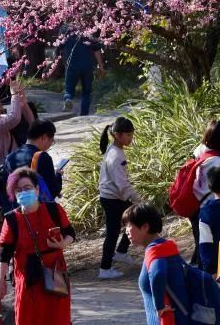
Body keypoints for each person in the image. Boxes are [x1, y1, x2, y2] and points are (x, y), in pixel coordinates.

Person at [0, 168, 75, 325]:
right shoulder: (11, 219)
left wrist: (63, 243)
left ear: (37, 190)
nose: (23, 192)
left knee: (58, 317)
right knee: (29, 317)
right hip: (28, 278)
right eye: (18, 190)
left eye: (27, 188)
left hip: (55, 273)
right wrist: (0, 280)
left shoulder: (54, 210)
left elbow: (70, 233)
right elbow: (4, 254)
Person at [123, 203, 190, 325]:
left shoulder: (155, 251)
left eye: (129, 225)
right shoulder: (167, 247)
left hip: (167, 320)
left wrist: (159, 306)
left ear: (145, 227)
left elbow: (158, 273)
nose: (126, 231)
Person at [188, 120, 220, 266]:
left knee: (202, 244)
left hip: (197, 206)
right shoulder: (219, 163)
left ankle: (201, 272)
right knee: (214, 248)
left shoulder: (202, 151)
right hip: (213, 209)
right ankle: (214, 276)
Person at [98, 117, 142, 279]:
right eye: (128, 135)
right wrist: (139, 199)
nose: (130, 138)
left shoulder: (115, 149)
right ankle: (105, 268)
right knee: (113, 232)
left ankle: (121, 252)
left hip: (114, 197)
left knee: (134, 219)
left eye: (131, 135)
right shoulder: (116, 155)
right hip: (112, 199)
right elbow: (122, 185)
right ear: (117, 135)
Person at [4, 119, 63, 203]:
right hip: (35, 209)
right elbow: (51, 191)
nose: (50, 145)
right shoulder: (42, 157)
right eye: (51, 141)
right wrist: (58, 175)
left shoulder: (10, 157)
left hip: (17, 210)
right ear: (44, 137)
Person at [0, 81, 32, 170]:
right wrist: (14, 95)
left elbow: (31, 122)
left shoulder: (1, 118)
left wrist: (22, 101)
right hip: (7, 168)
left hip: (19, 163)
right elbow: (14, 118)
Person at [58, 30, 106, 116]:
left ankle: (68, 99)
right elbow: (96, 50)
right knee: (86, 92)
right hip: (87, 66)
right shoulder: (90, 30)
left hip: (71, 65)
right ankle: (84, 115)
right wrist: (101, 66)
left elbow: (60, 48)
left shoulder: (66, 30)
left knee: (69, 89)